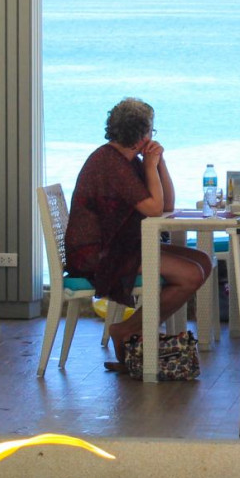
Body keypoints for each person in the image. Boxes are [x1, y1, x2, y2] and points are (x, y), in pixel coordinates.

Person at [63, 98, 212, 367]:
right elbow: (154, 209)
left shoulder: (127, 160)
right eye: (151, 131)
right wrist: (150, 165)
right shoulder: (111, 163)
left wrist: (159, 162)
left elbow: (167, 204)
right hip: (98, 254)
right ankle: (127, 330)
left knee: (202, 261)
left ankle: (134, 331)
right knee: (191, 274)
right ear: (142, 135)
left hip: (120, 245)